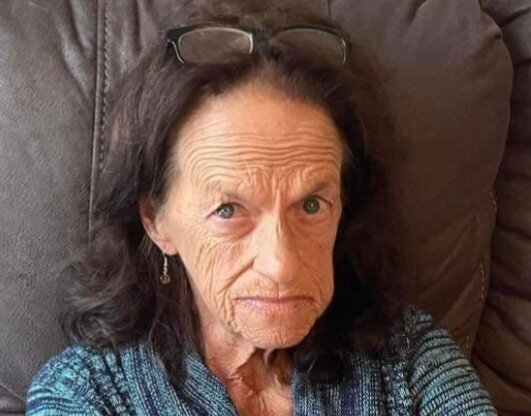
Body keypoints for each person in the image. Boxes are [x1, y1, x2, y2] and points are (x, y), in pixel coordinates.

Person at [25, 1, 496, 415]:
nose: (281, 265)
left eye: (311, 205)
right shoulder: (85, 393)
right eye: (229, 210)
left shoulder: (410, 358)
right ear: (155, 221)